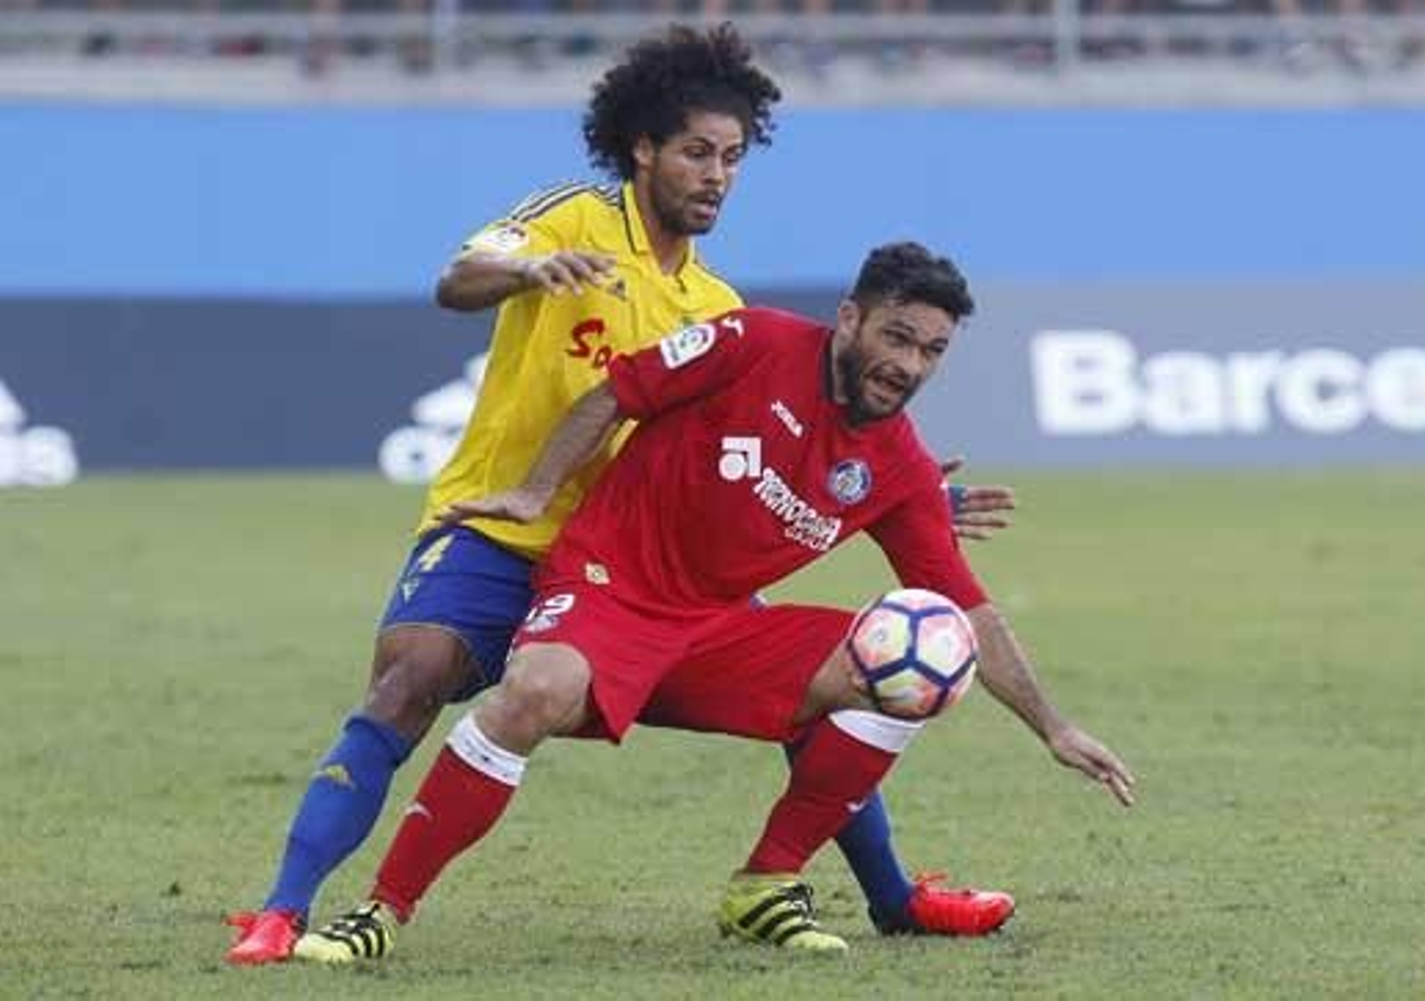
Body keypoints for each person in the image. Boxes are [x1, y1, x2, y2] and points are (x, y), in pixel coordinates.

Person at [224, 25, 1016, 966]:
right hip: (504, 527)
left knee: (835, 683)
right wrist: (527, 270)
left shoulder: (717, 305)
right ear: (642, 146)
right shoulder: (573, 219)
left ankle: (891, 898)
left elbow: (760, 459)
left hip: (642, 566)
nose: (717, 175)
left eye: (731, 158)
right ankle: (282, 909)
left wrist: (897, 494)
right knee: (409, 682)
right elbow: (457, 277)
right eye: (696, 152)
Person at [293, 242, 1137, 959]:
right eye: (897, 336)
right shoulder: (756, 340)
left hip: (718, 629)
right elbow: (616, 391)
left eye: (931, 351)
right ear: (851, 318)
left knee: (921, 661)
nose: (908, 364)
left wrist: (1055, 727)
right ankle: (382, 910)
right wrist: (531, 491)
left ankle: (766, 882)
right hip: (608, 588)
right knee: (534, 693)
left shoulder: (900, 467)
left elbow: (973, 610)